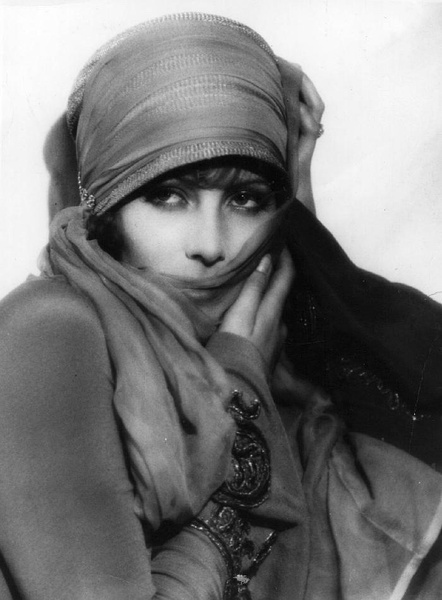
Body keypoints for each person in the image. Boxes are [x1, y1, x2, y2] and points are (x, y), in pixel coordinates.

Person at [0, 12, 441, 600]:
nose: (210, 246)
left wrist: (291, 195)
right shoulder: (50, 329)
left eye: (245, 200)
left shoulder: (260, 340)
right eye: (167, 196)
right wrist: (240, 384)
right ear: (106, 205)